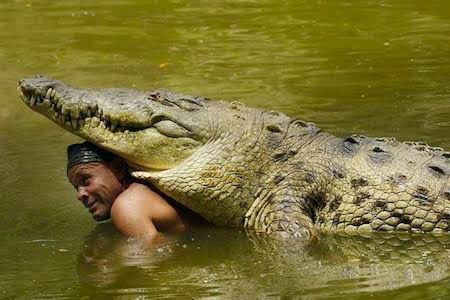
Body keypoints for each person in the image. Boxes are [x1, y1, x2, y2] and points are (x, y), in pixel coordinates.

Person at [66, 142, 204, 240]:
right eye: (76, 187)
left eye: (86, 180)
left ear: (118, 168)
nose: (80, 195)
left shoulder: (127, 205)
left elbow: (149, 267)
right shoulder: (148, 190)